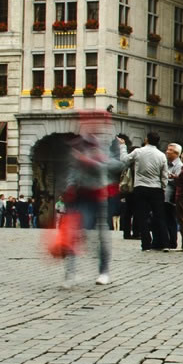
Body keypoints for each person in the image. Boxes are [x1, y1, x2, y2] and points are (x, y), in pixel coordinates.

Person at [62, 114, 127, 285]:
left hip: (101, 194)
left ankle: (104, 271)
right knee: (76, 233)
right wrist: (69, 186)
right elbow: (72, 169)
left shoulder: (111, 142)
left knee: (101, 235)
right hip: (82, 194)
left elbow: (119, 165)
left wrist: (96, 162)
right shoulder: (79, 143)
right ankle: (70, 273)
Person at [124, 132, 169, 252]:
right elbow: (164, 175)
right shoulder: (161, 155)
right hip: (156, 188)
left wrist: (122, 147)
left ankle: (146, 245)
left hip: (141, 187)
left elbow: (124, 160)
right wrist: (163, 187)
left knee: (142, 217)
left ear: (146, 140)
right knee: (160, 216)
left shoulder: (138, 152)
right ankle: (164, 243)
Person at [161, 143, 183, 251]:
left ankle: (172, 242)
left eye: (170, 150)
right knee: (165, 219)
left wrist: (170, 178)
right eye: (167, 149)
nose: (167, 151)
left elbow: (179, 182)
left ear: (176, 153)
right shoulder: (167, 163)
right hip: (165, 196)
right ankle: (166, 241)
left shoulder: (179, 165)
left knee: (170, 220)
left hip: (171, 197)